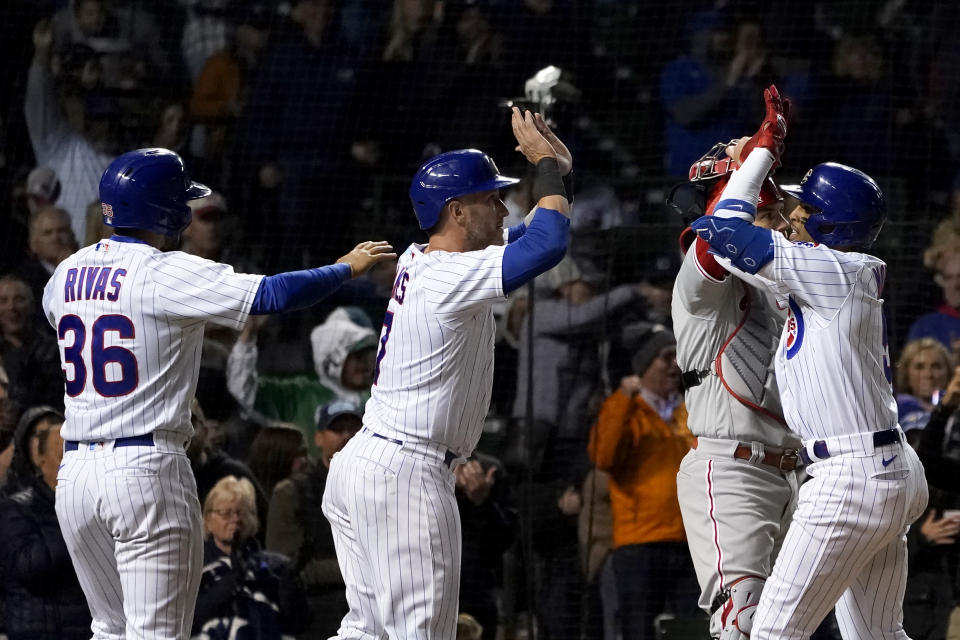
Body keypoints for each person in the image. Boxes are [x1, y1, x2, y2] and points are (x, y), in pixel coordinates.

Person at [42, 147, 395, 639]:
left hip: (76, 474)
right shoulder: (165, 271)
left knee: (108, 629)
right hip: (143, 469)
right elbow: (272, 294)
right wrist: (345, 268)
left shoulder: (64, 274)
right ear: (168, 212)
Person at [321, 108, 572, 639]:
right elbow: (547, 244)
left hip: (370, 464)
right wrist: (545, 166)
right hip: (405, 473)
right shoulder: (447, 275)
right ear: (457, 211)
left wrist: (556, 175)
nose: (503, 208)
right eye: (491, 199)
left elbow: (529, 232)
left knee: (366, 630)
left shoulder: (426, 259)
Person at [690, 85, 929, 640]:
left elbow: (725, 236)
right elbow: (717, 246)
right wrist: (730, 184)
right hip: (883, 468)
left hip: (850, 477)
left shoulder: (837, 272)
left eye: (805, 209)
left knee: (773, 633)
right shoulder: (828, 277)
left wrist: (761, 156)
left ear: (832, 226)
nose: (793, 214)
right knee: (877, 635)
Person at [672, 130, 803, 639]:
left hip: (797, 475)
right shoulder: (698, 278)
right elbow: (714, 246)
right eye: (768, 215)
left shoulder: (783, 280)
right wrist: (756, 161)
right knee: (741, 623)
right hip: (733, 471)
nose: (780, 227)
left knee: (793, 626)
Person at [587, 327, 699, 640]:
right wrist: (623, 398)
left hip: (689, 541)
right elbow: (603, 457)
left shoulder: (690, 410)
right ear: (644, 365)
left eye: (677, 356)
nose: (674, 364)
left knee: (693, 630)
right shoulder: (625, 410)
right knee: (637, 630)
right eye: (665, 357)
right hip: (638, 543)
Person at [266, 400, 363, 639]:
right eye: (337, 429)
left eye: (354, 428)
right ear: (318, 438)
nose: (347, 435)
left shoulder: (379, 489)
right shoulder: (293, 492)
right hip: (316, 619)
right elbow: (286, 569)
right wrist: (361, 569)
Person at [0, 406, 91, 639]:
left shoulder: (92, 503)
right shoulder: (17, 507)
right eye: (62, 454)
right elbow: (29, 567)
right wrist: (76, 518)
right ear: (38, 458)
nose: (72, 462)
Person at [192, 475, 308, 639]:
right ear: (208, 520)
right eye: (226, 513)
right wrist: (234, 578)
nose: (236, 519)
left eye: (242, 513)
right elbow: (191, 618)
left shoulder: (276, 566)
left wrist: (290, 584)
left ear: (253, 519)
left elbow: (299, 622)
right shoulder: (194, 567)